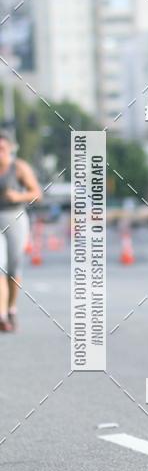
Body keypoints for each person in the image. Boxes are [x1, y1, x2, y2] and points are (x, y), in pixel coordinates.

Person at [0, 131, 42, 332]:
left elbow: (37, 193)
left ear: (9, 150)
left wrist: (18, 196)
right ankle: (1, 315)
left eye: (2, 149)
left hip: (15, 217)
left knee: (13, 268)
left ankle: (11, 309)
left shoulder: (18, 168)